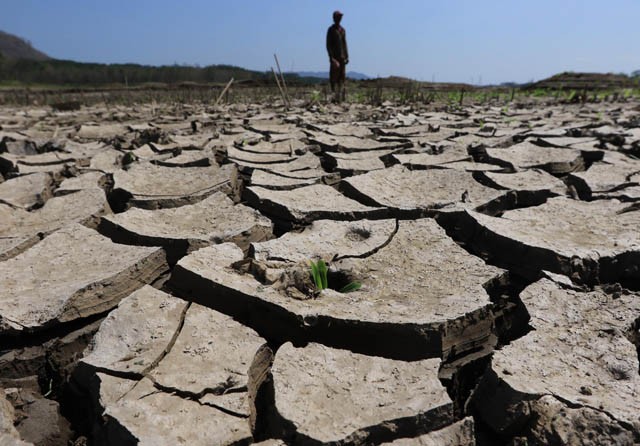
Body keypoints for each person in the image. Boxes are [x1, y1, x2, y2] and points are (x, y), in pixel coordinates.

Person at [326, 10, 349, 102]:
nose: (339, 18)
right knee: (333, 77)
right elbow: (328, 44)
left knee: (342, 77)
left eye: (340, 17)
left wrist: (347, 56)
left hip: (342, 57)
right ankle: (333, 96)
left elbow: (345, 43)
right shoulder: (331, 30)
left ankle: (341, 97)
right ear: (334, 18)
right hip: (334, 57)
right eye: (338, 17)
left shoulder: (342, 30)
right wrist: (331, 57)